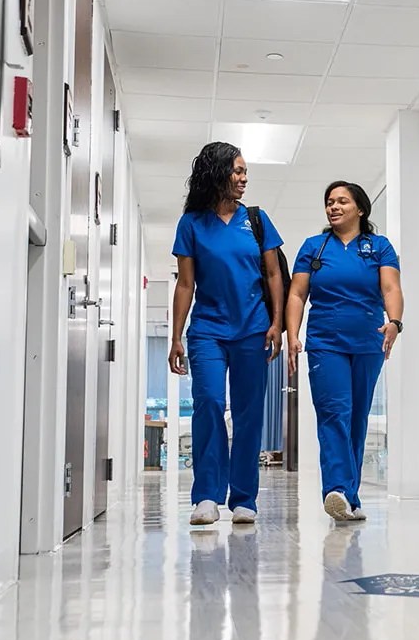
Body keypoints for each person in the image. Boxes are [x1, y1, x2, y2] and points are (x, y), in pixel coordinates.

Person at [168, 141, 285, 526]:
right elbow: (185, 284)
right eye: (237, 170)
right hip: (208, 331)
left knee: (249, 413)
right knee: (209, 403)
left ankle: (244, 498)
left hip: (253, 329)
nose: (243, 178)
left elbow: (273, 275)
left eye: (245, 171)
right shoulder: (191, 224)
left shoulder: (256, 220)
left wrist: (276, 323)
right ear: (217, 172)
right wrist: (176, 337)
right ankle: (206, 496)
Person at [285, 181, 404, 522]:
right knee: (334, 412)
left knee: (357, 417)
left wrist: (395, 322)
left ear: (360, 209)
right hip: (326, 343)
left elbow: (391, 288)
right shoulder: (315, 247)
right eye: (329, 202)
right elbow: (297, 294)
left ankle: (349, 497)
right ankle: (336, 489)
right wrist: (293, 335)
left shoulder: (379, 247)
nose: (333, 207)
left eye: (342, 201)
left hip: (368, 343)